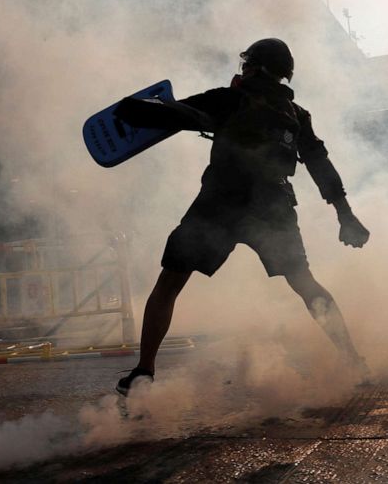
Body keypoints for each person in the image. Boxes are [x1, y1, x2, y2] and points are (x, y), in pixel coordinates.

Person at [113, 38, 371, 396]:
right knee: (304, 283)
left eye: (247, 64)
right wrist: (346, 215)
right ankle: (353, 360)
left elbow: (178, 115)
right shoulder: (297, 116)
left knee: (170, 282)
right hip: (273, 205)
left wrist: (132, 108)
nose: (243, 70)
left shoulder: (230, 98)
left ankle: (144, 373)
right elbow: (319, 165)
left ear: (254, 67)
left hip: (220, 202)